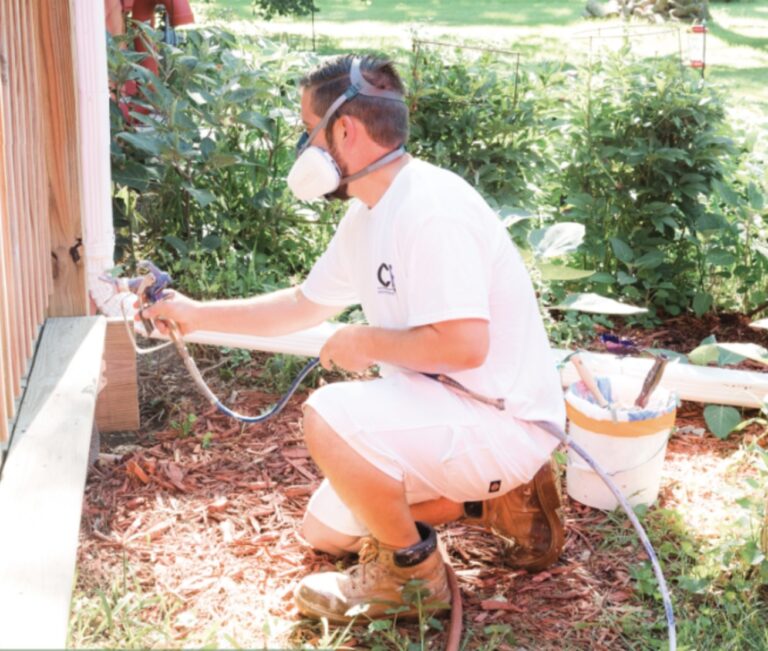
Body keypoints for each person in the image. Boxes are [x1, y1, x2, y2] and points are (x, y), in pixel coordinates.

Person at [140, 54, 566, 623]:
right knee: (324, 533)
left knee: (330, 416)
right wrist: (195, 314)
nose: (303, 148)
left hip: (501, 420)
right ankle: (490, 500)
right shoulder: (369, 214)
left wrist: (364, 341)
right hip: (449, 409)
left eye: (305, 131)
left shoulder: (431, 208)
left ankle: (413, 577)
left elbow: (465, 346)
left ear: (344, 130)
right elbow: (302, 304)